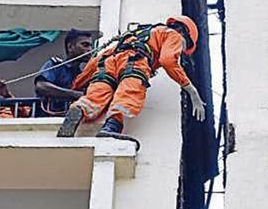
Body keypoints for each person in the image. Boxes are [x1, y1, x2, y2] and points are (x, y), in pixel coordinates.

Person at [57, 16, 206, 148]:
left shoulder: (136, 35)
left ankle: (79, 109)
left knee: (96, 95)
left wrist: (78, 83)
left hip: (107, 64)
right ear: (184, 34)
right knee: (128, 95)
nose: (179, 51)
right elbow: (167, 60)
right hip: (135, 63)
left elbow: (97, 59)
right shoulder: (173, 35)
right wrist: (192, 91)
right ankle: (111, 128)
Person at [34, 30, 94, 117]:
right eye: (85, 45)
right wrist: (75, 94)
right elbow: (41, 86)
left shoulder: (80, 75)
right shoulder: (56, 65)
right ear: (70, 47)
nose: (90, 50)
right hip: (45, 119)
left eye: (90, 46)